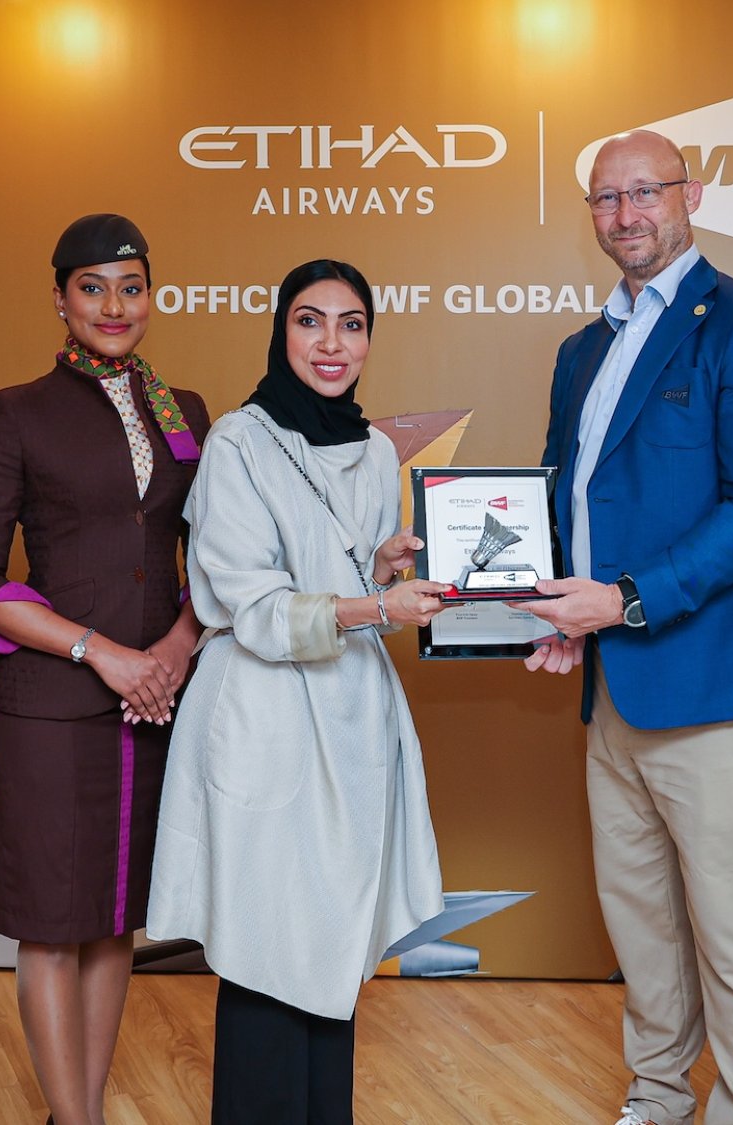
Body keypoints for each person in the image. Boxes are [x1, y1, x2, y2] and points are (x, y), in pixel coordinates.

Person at [522, 129, 733, 1125]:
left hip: (716, 690)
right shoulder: (581, 351)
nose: (625, 213)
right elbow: (571, 504)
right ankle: (655, 1097)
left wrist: (623, 599)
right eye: (605, 199)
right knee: (642, 928)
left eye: (644, 192)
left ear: (688, 196)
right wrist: (560, 610)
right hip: (613, 690)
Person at [146, 259, 450, 1124]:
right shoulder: (241, 440)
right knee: (267, 947)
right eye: (310, 321)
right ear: (280, 330)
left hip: (352, 724)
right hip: (265, 722)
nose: (331, 343)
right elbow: (254, 608)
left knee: (330, 948)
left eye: (352, 324)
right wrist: (374, 600)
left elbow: (342, 590)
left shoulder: (377, 447)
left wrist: (378, 571)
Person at [0, 214, 209, 1125]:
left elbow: (214, 563)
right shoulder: (16, 411)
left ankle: (78, 1109)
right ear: (59, 298)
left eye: (130, 287)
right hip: (53, 707)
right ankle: (79, 1118)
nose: (113, 305)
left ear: (152, 295)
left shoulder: (184, 410)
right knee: (54, 926)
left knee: (115, 921)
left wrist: (170, 655)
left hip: (155, 704)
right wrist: (103, 653)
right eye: (92, 287)